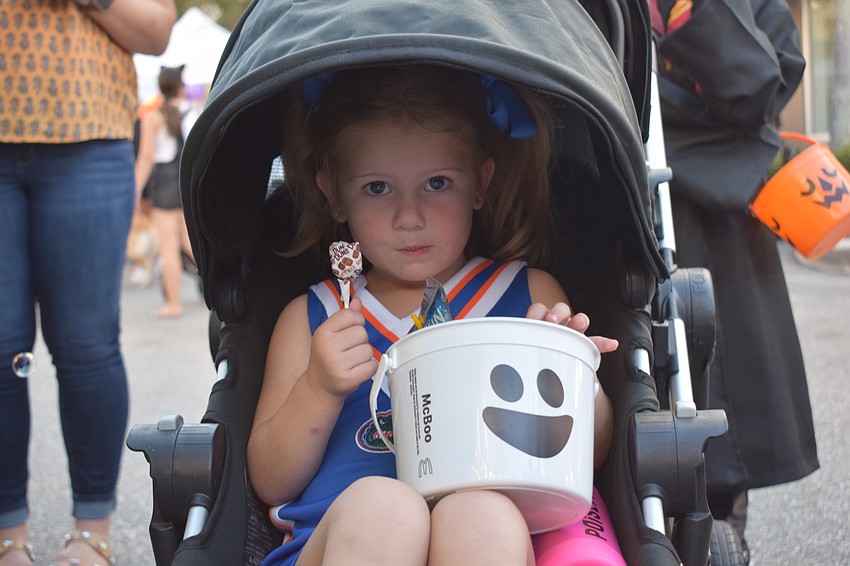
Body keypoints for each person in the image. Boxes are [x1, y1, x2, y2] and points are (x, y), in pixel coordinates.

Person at [247, 65, 618, 566]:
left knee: (481, 513)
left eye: (437, 183)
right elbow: (270, 481)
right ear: (333, 194)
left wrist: (576, 376)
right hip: (342, 543)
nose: (409, 216)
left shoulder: (528, 297)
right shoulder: (314, 318)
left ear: (480, 182)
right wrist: (318, 388)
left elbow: (590, 459)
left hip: (489, 540)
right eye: (377, 188)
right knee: (384, 508)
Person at [0, 1, 177, 565]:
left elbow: (157, 31)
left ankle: (92, 532)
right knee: (1, 350)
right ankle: (7, 537)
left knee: (86, 346)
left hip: (87, 132)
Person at [651, 0, 819, 554]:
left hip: (721, 226)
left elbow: (763, 84)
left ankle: (722, 537)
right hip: (636, 202)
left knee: (724, 391)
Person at [135, 65, 196, 318]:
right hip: (186, 181)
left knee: (168, 247)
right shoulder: (192, 112)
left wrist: (135, 191)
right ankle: (224, 286)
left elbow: (146, 157)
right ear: (181, 87)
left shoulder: (153, 117)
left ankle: (173, 304)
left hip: (163, 184)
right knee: (192, 243)